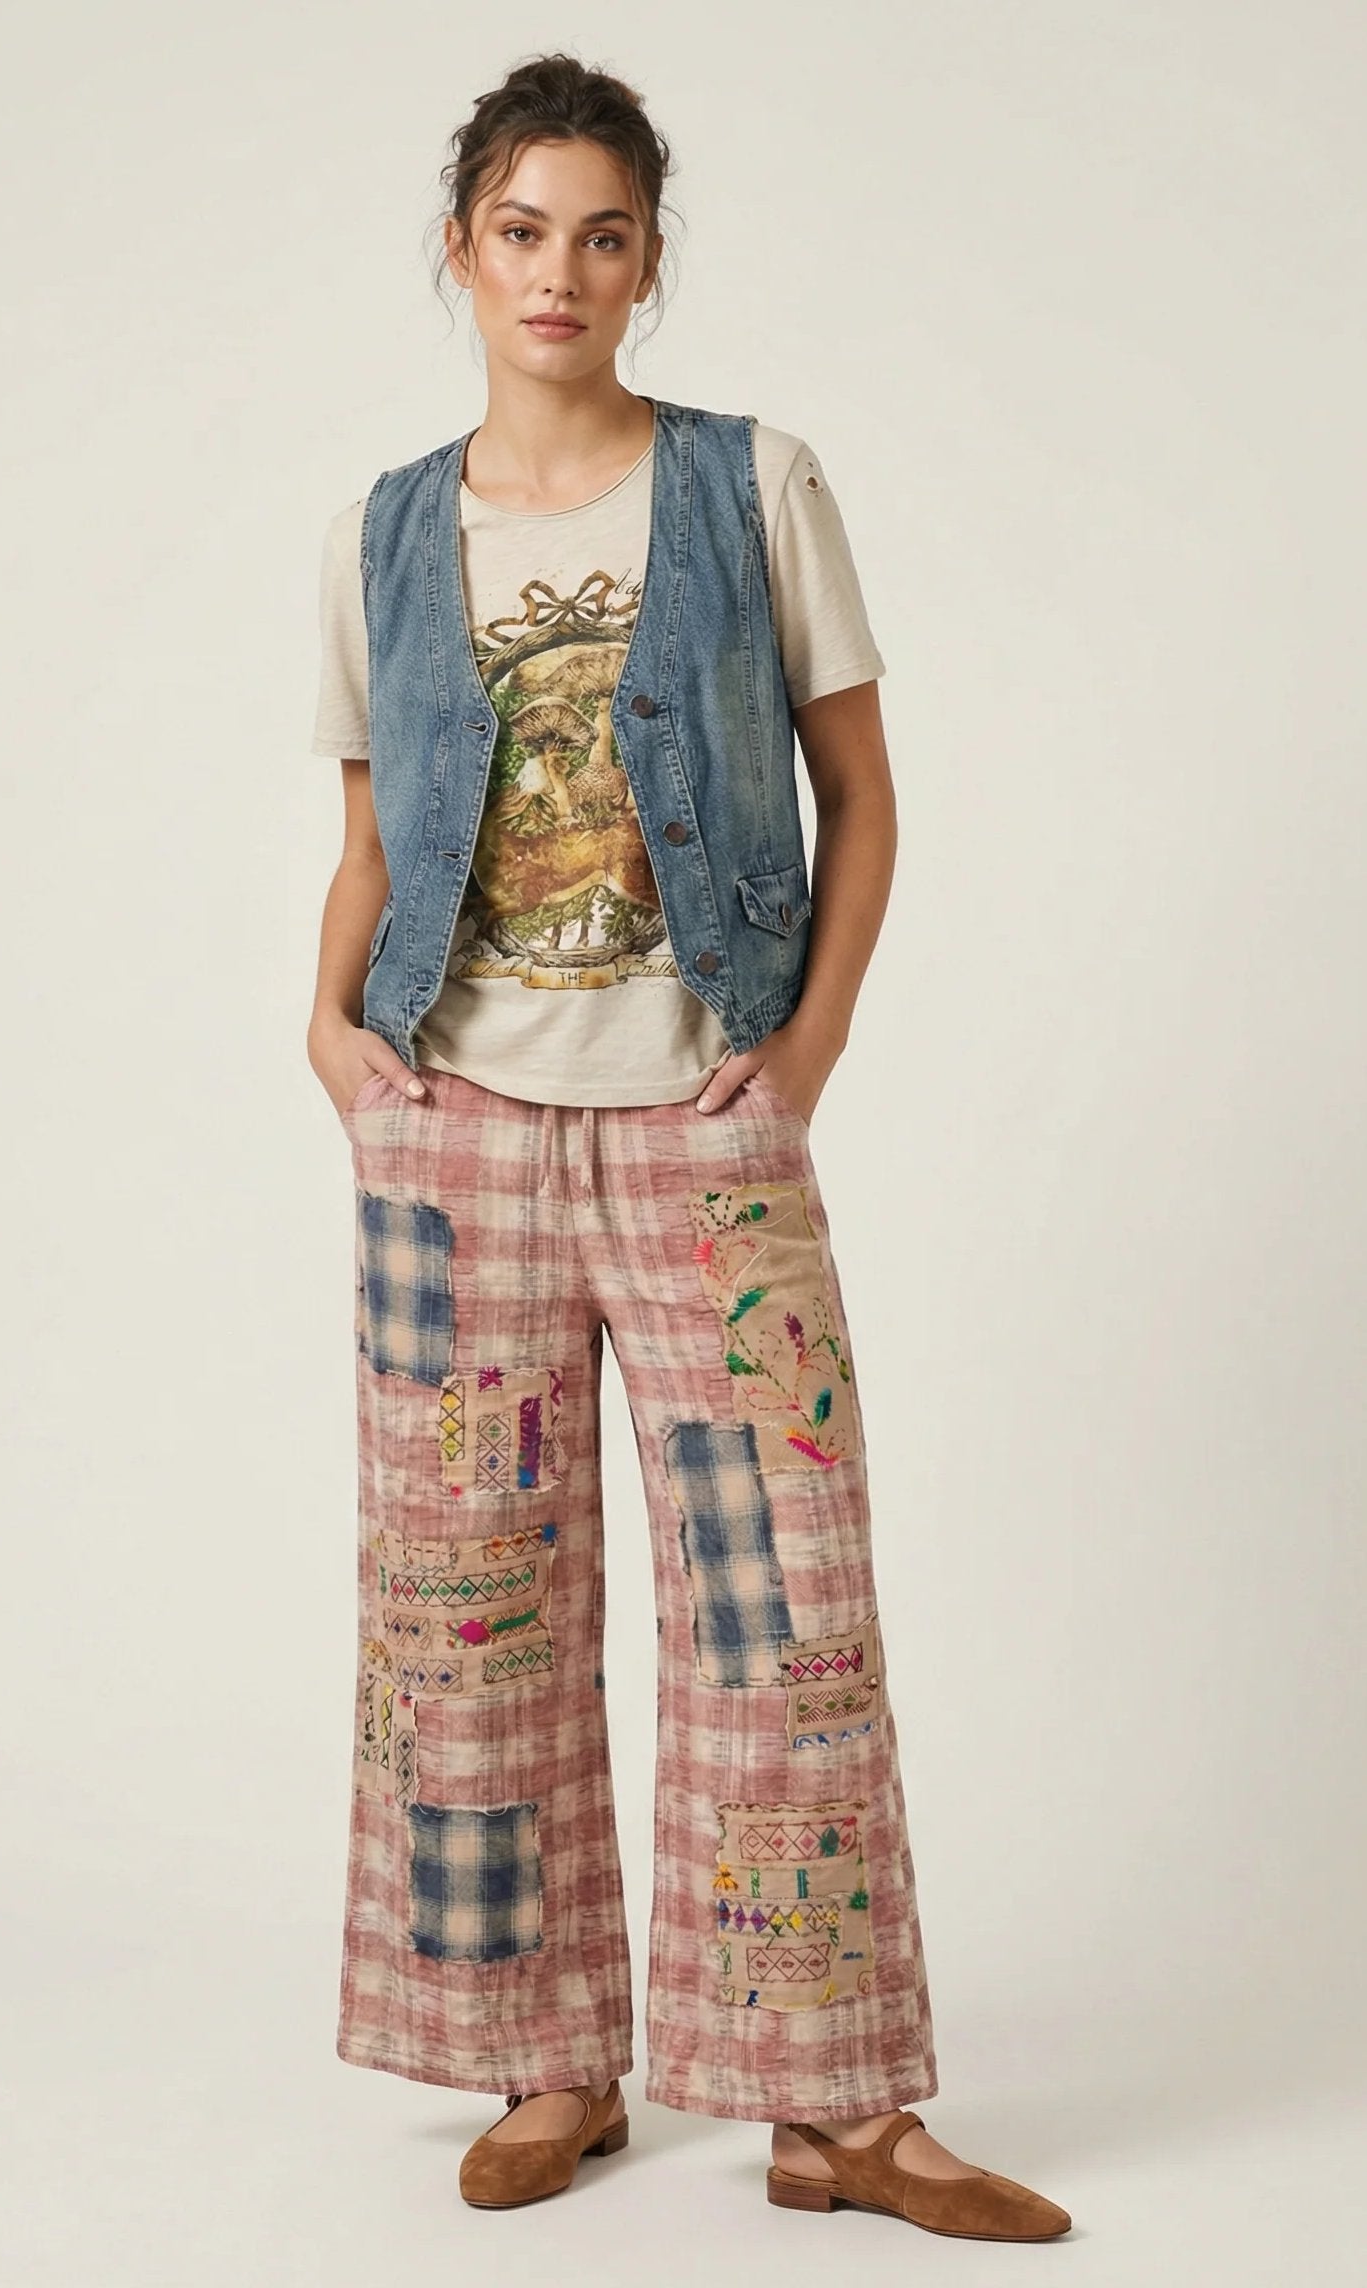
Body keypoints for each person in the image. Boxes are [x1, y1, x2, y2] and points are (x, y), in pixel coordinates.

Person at [306, 50, 1071, 2244]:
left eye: (604, 233)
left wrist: (804, 1049)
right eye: (520, 229)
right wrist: (327, 1037)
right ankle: (554, 2058)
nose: (559, 271)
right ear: (462, 249)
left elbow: (865, 794)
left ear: (648, 262)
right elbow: (372, 838)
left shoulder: (751, 484)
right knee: (470, 1614)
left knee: (784, 1608)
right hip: (454, 1126)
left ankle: (840, 2111)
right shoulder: (386, 530)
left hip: (699, 1117)